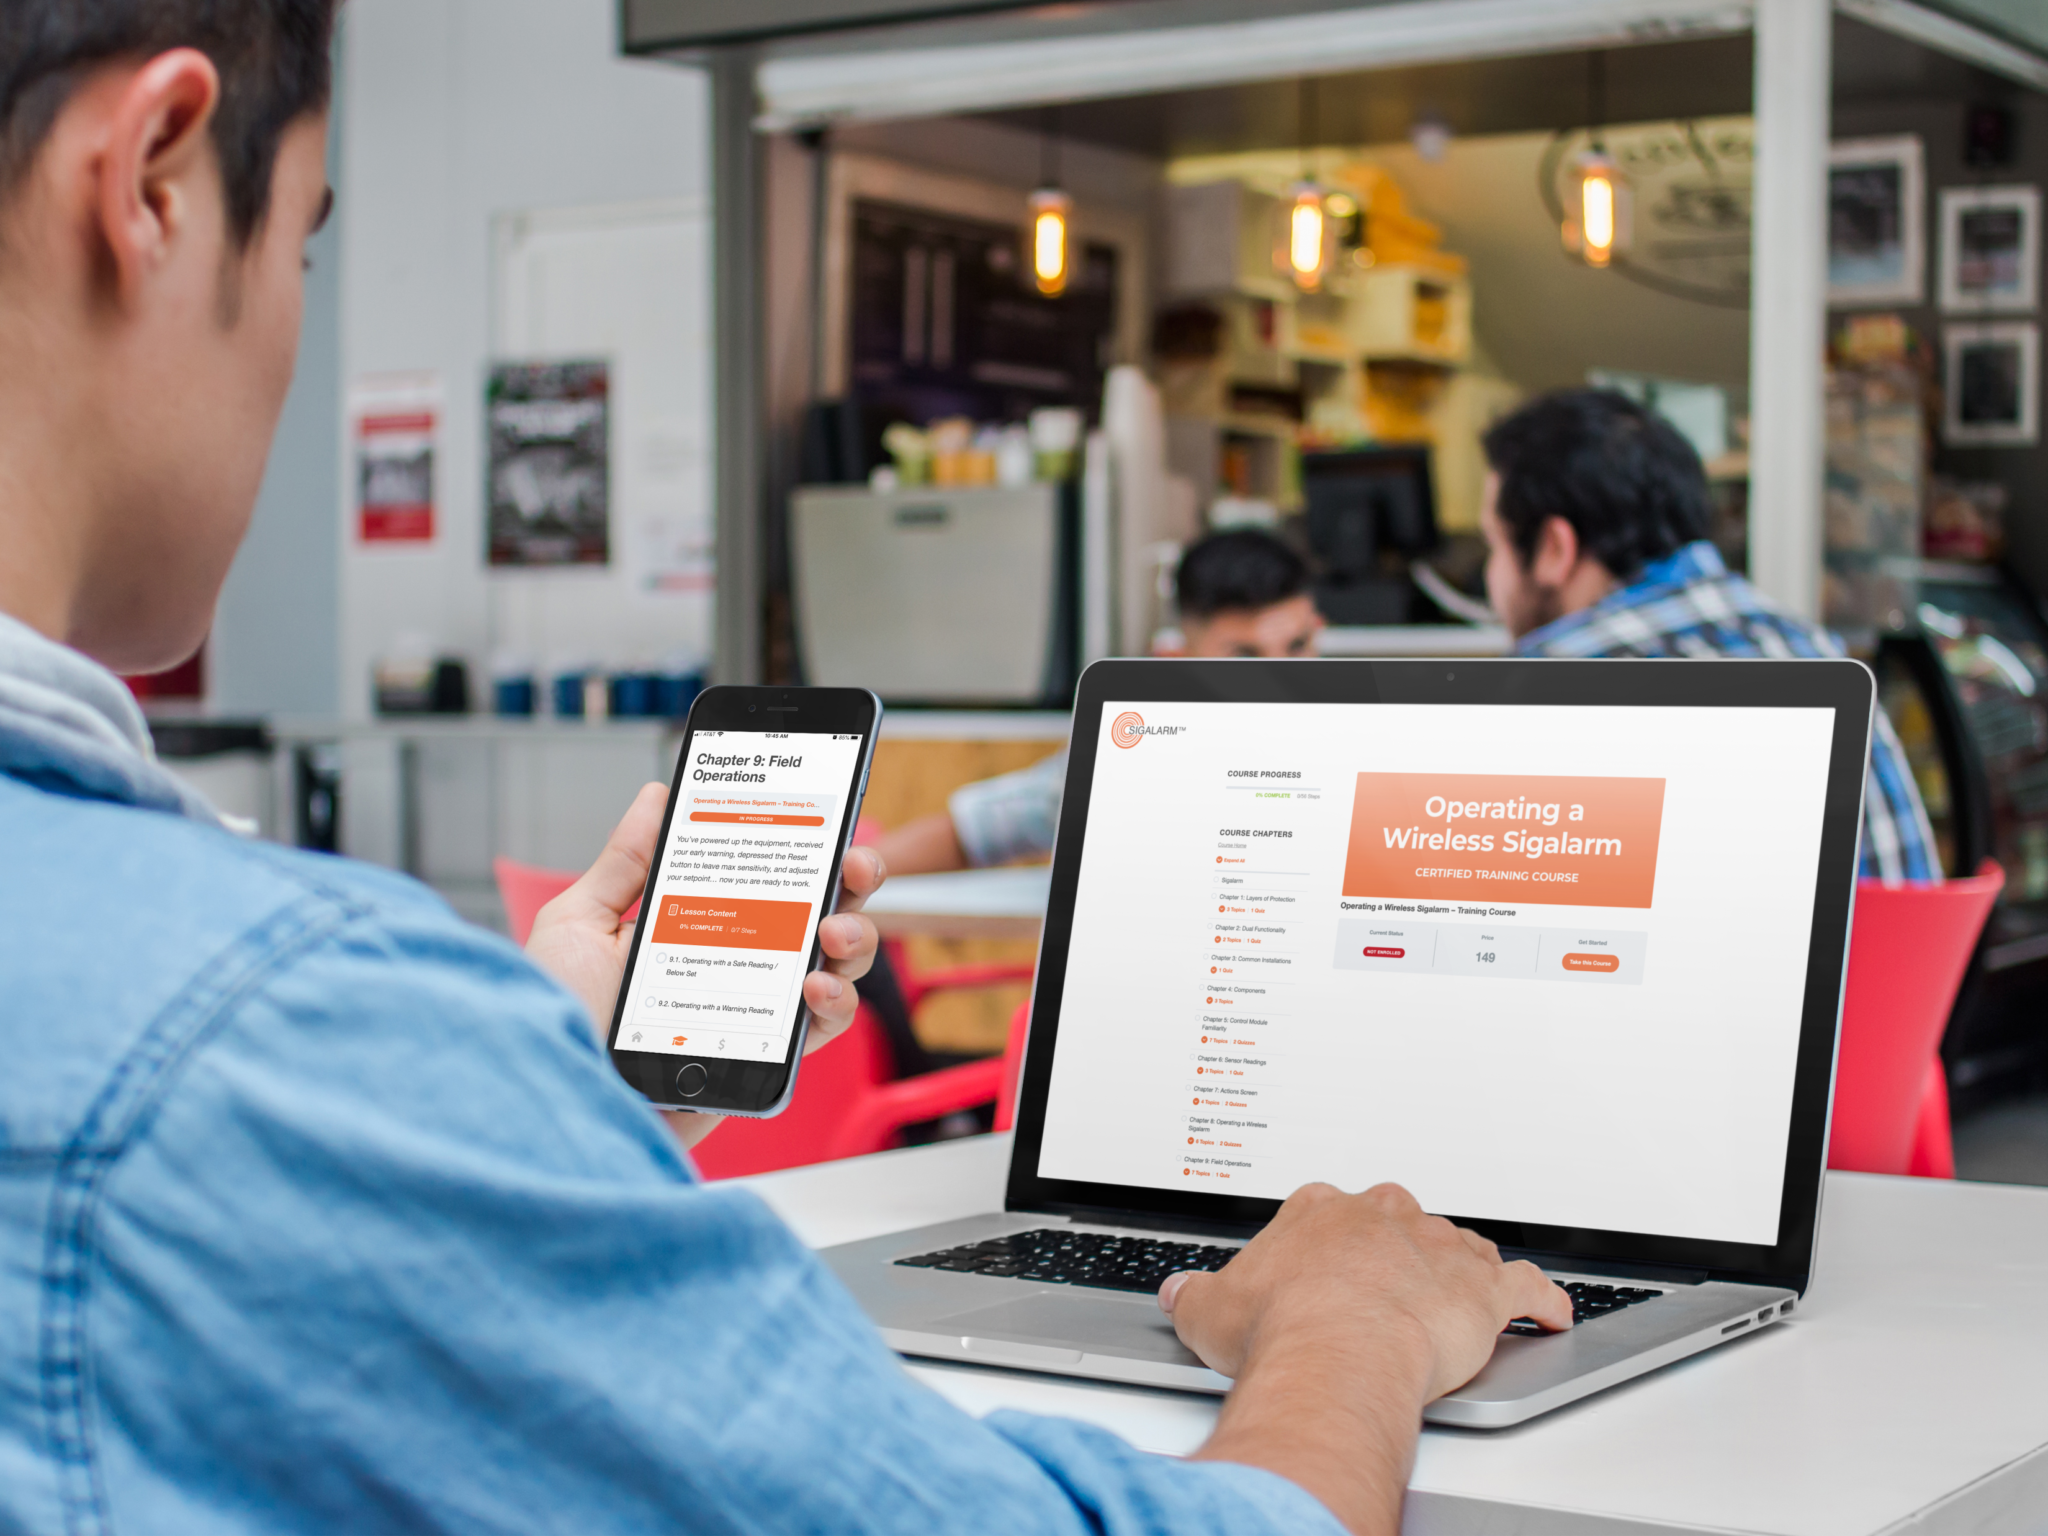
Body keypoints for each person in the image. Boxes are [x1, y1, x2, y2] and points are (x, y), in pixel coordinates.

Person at [0, 8, 1569, 1535]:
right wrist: (1354, 1323)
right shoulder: (258, 1036)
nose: (291, 329)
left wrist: (533, 1109)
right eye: (303, 251)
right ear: (151, 179)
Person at [1479, 388, 1939, 882]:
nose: (1489, 577)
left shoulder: (1540, 685)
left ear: (1554, 548)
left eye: (1495, 547)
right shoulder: (1815, 651)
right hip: (1894, 961)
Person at [877, 527, 1324, 876]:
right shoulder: (1130, 761)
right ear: (1176, 660)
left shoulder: (1360, 749)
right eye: (1245, 657)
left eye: (1298, 645)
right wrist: (835, 878)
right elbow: (976, 830)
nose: (1281, 678)